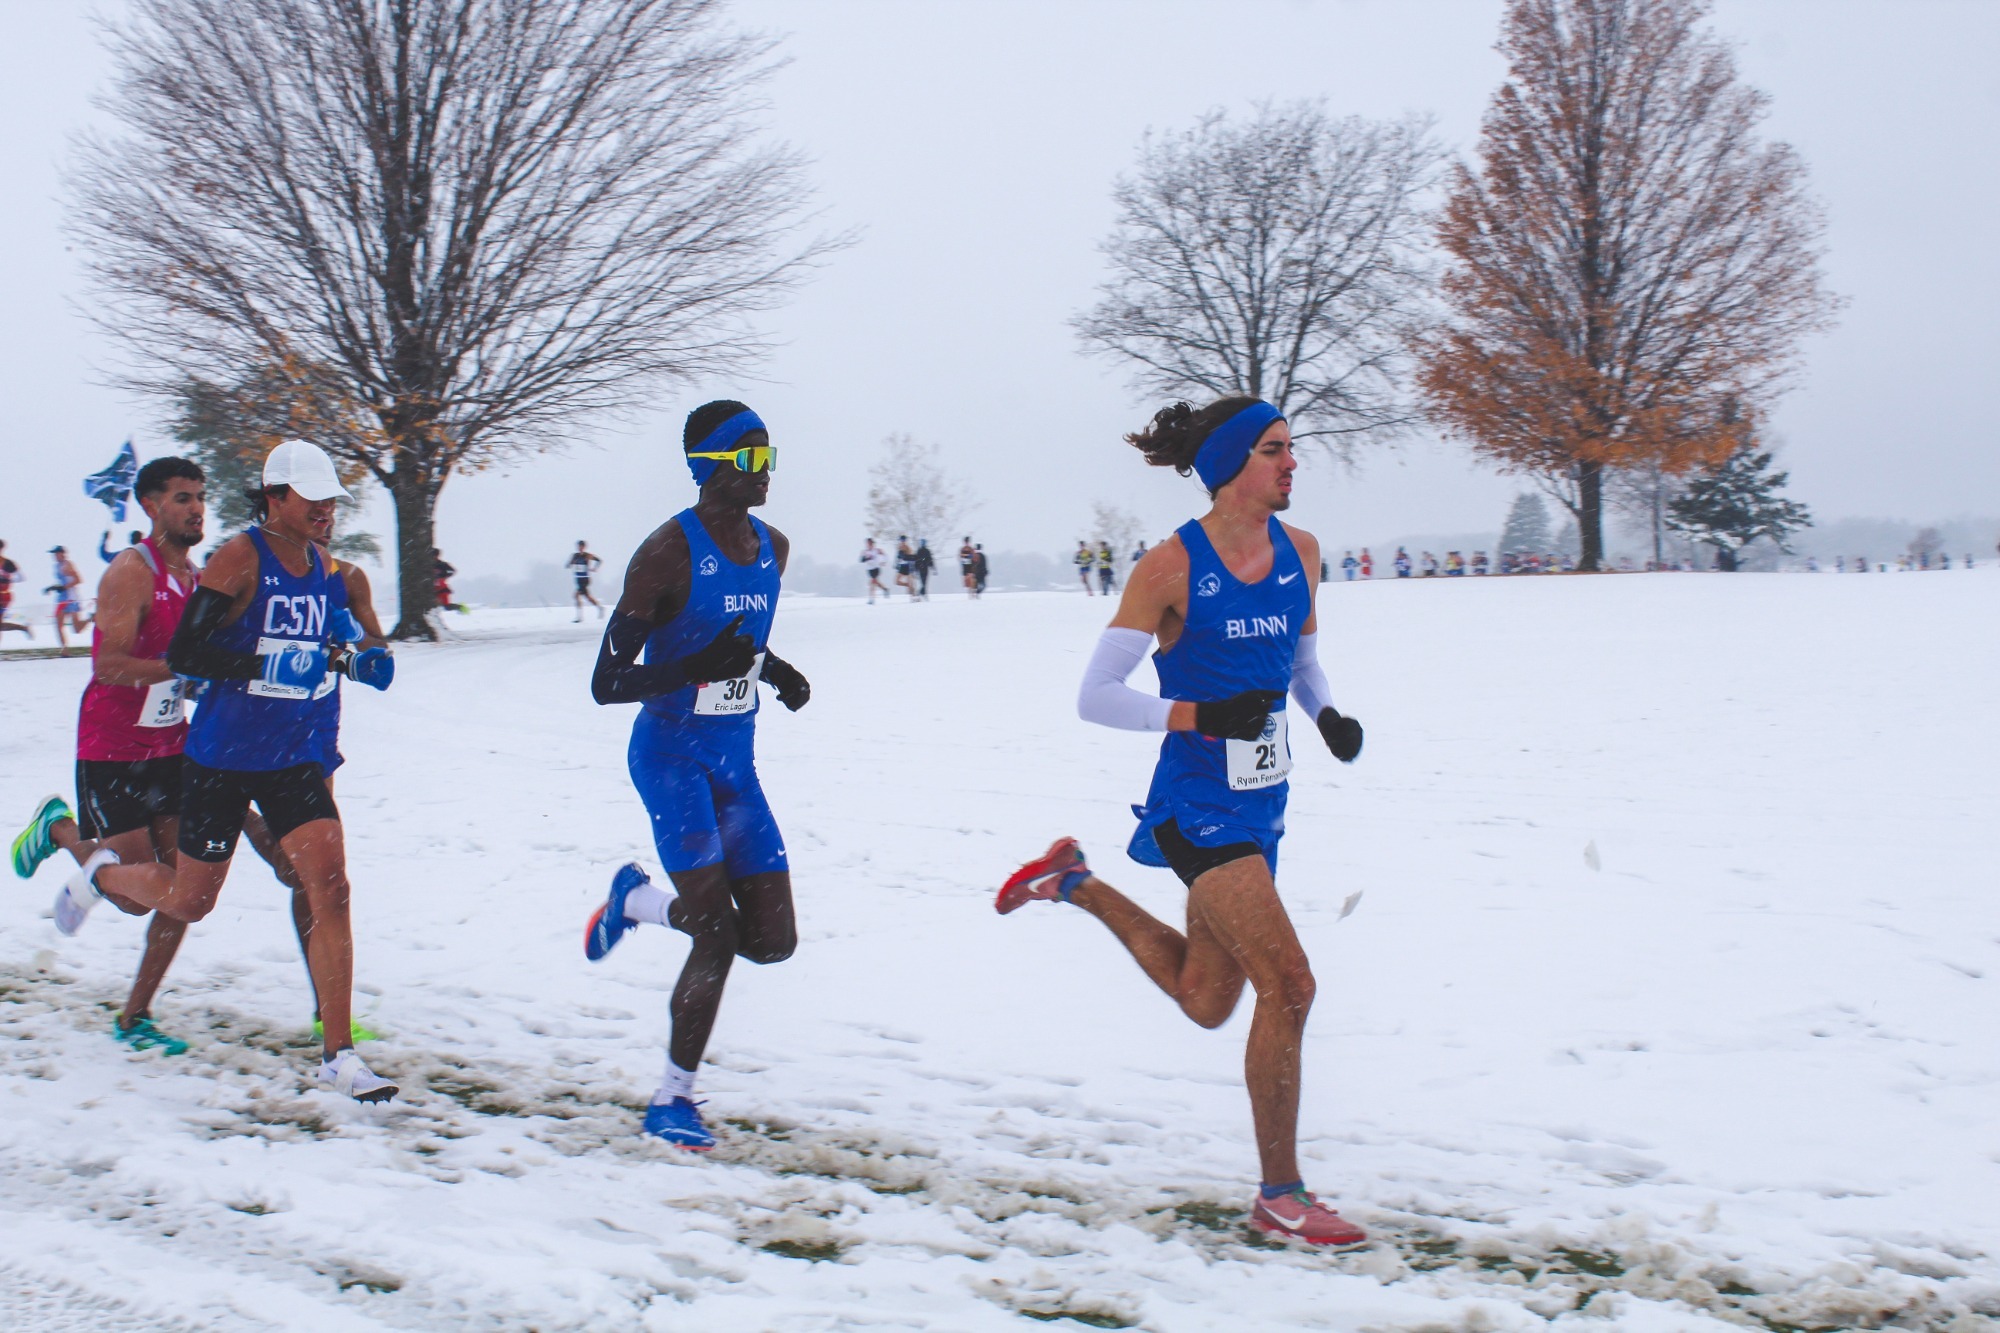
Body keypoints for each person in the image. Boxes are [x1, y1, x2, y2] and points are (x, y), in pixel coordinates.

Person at [997, 395, 1369, 1249]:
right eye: (1276, 450)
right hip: (1194, 808)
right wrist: (1198, 716)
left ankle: (1073, 881)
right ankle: (1281, 1195)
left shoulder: (1301, 553)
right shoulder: (1171, 567)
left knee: (1207, 1001)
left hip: (1262, 805)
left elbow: (1301, 660)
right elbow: (1095, 697)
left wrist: (1328, 715)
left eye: (1291, 449)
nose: (1291, 463)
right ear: (1234, 463)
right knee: (1292, 984)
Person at [43, 440, 399, 1102]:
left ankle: (338, 1052)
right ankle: (102, 870)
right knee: (190, 899)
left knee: (328, 883)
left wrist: (353, 659)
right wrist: (266, 668)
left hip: (291, 753)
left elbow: (313, 647)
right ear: (276, 498)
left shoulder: (327, 566)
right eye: (312, 498)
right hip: (218, 758)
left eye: (331, 500)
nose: (325, 510)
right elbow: (188, 650)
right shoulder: (239, 557)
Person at [583, 400, 811, 1150]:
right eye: (748, 457)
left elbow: (738, 644)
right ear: (708, 466)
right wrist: (687, 670)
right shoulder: (664, 556)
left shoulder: (773, 546)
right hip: (672, 756)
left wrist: (774, 670)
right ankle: (671, 1099)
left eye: (769, 454)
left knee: (772, 940)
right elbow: (607, 681)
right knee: (716, 934)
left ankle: (639, 902)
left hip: (735, 763)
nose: (765, 469)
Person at [49, 546, 92, 648]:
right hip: (62, 598)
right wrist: (53, 588)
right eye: (54, 554)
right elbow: (61, 582)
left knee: (76, 629)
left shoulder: (68, 565)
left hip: (71, 597)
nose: (54, 556)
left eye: (56, 553)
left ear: (62, 554)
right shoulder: (56, 566)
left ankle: (91, 618)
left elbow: (79, 579)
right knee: (58, 624)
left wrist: (64, 587)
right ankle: (64, 649)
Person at [0, 539, 31, 640]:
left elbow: (21, 577)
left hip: (3, 596)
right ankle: (23, 628)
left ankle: (23, 628)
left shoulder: (8, 563)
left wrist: (8, 579)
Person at [568, 541, 605, 622]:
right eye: (578, 546)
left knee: (576, 596)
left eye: (581, 546)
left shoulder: (588, 555)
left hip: (585, 579)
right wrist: (571, 563)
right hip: (578, 578)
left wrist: (595, 568)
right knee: (587, 597)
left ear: (584, 547)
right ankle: (600, 608)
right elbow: (569, 565)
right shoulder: (575, 555)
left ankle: (579, 617)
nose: (580, 548)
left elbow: (599, 560)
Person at [432, 548, 461, 614]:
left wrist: (444, 576)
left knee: (447, 607)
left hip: (442, 588)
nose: (433, 557)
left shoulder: (442, 564)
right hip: (431, 588)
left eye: (435, 555)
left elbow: (452, 571)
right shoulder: (426, 565)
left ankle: (461, 608)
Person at [860, 537, 888, 603]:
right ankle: (885, 589)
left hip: (876, 568)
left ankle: (871, 599)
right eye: (868, 543)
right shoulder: (865, 551)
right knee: (876, 582)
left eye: (870, 543)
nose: (869, 545)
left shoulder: (877, 550)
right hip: (869, 570)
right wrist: (865, 558)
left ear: (872, 544)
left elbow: (885, 555)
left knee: (872, 582)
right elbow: (861, 560)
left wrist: (884, 561)